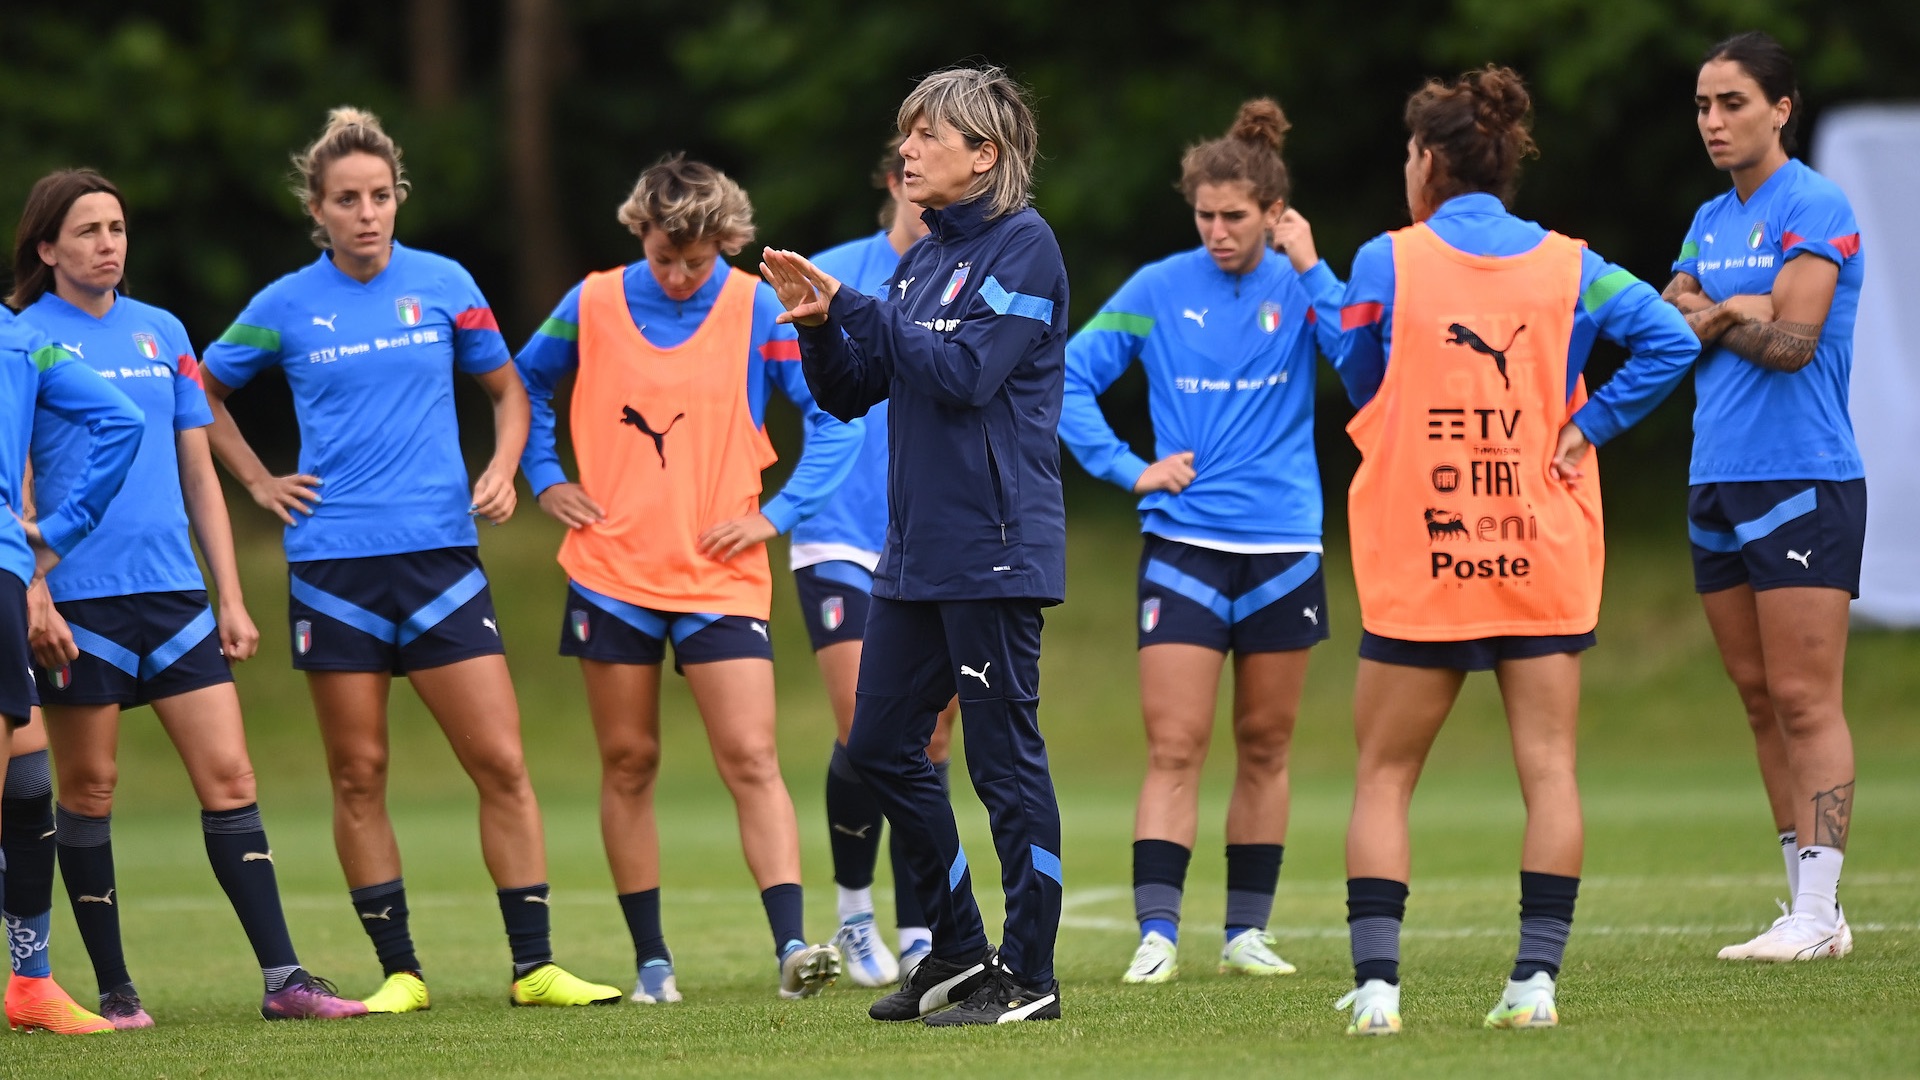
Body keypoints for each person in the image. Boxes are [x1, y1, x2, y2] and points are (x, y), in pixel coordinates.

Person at [201, 108, 619, 1012]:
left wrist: (505, 468)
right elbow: (199, 393)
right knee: (359, 774)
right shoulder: (282, 306)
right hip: (334, 573)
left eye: (380, 197)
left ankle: (535, 968)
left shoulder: (445, 284)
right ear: (317, 208)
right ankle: (402, 973)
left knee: (501, 763)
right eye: (346, 200)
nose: (365, 213)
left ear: (398, 200)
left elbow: (508, 391)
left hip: (442, 565)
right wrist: (258, 482)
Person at [1326, 66, 1698, 1035]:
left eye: (1409, 153)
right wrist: (1593, 423)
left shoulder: (1385, 259)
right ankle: (1534, 985)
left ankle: (1378, 992)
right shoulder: (1572, 265)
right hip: (1540, 552)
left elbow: (1362, 379)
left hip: (1426, 555)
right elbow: (1669, 340)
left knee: (1382, 775)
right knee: (1550, 767)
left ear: (1430, 163)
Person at [12, 168, 366, 1024]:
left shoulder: (161, 331)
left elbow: (199, 473)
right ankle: (115, 991)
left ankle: (285, 979)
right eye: (88, 230)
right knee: (89, 792)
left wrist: (231, 596)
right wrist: (35, 592)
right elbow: (12, 478)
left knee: (232, 776)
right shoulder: (23, 337)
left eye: (118, 228)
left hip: (176, 599)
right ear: (46, 247)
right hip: (79, 603)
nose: (108, 244)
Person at [764, 63, 1069, 1025]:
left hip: (995, 547)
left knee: (1001, 762)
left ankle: (1030, 975)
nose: (907, 149)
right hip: (913, 555)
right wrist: (822, 327)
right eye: (906, 134)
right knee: (882, 748)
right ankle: (961, 953)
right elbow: (855, 389)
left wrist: (858, 306)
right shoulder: (924, 257)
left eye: (928, 136)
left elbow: (969, 372)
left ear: (984, 156)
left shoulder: (1027, 248)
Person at [516, 154, 856, 1003]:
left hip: (721, 577)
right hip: (610, 574)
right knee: (628, 763)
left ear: (729, 244)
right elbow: (521, 384)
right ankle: (652, 965)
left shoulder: (753, 307)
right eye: (665, 256)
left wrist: (775, 516)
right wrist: (543, 475)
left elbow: (832, 416)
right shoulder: (590, 302)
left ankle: (792, 949)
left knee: (751, 755)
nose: (677, 275)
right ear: (641, 232)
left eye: (696, 261)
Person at [1060, 99, 1342, 986]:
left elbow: (1367, 363)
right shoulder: (1155, 289)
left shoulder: (1303, 283)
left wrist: (1316, 266)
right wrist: (1125, 466)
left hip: (1284, 548)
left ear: (1272, 212)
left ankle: (1246, 932)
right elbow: (1067, 375)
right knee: (1174, 746)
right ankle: (1157, 933)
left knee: (1265, 745)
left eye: (1235, 217)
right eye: (1205, 217)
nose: (1218, 233)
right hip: (1183, 547)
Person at [1663, 31, 1865, 963]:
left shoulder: (1813, 202)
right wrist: (1732, 310)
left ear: (1781, 109)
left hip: (1800, 477)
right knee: (1755, 697)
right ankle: (1803, 909)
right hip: (1718, 477)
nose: (1712, 121)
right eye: (1703, 105)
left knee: (1803, 696)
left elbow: (1795, 342)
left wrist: (1723, 313)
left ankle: (1820, 910)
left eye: (1732, 102)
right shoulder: (1710, 217)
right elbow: (1674, 311)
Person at [798, 137, 959, 989]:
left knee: (930, 735)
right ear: (895, 181)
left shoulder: (965, 276)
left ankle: (923, 928)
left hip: (931, 536)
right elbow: (765, 386)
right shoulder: (828, 274)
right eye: (908, 175)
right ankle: (856, 914)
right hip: (837, 532)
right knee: (868, 730)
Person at [0, 306, 143, 1031]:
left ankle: (32, 984)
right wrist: (61, 530)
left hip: (3, 563)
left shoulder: (22, 340)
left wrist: (51, 535)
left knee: (26, 785)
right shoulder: (25, 338)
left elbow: (123, 421)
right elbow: (123, 422)